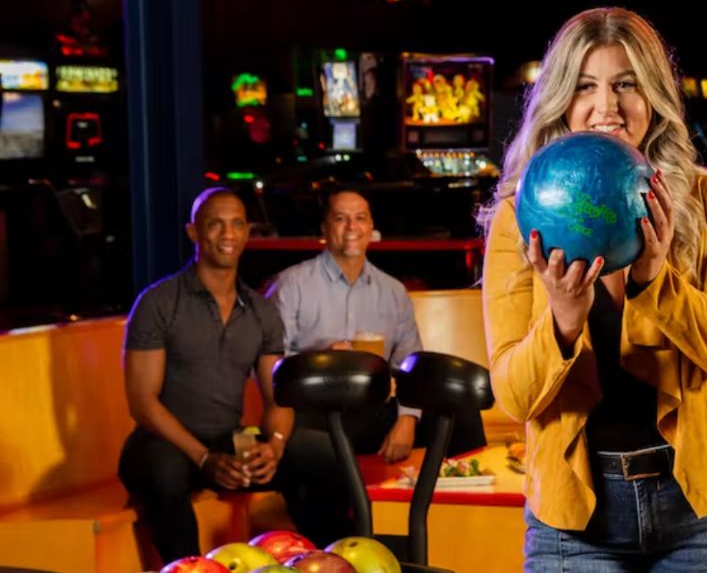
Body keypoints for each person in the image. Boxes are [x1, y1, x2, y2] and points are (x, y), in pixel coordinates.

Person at [477, 7, 707, 571]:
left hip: (704, 506)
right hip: (576, 518)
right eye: (586, 86)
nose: (606, 107)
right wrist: (561, 319)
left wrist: (658, 281)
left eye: (626, 84)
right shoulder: (520, 218)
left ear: (654, 95)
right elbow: (513, 395)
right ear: (561, 98)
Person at [118, 187, 347, 563]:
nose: (228, 234)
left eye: (237, 224)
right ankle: (188, 569)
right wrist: (204, 457)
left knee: (319, 453)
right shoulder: (158, 302)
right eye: (216, 224)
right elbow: (142, 402)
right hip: (163, 443)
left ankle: (325, 563)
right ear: (194, 232)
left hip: (226, 442)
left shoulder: (259, 310)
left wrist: (272, 446)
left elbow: (279, 398)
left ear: (247, 232)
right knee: (161, 472)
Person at [266, 187, 486, 461]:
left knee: (462, 415)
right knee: (315, 448)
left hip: (370, 411)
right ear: (324, 228)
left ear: (371, 227)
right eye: (340, 218)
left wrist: (407, 419)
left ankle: (451, 496)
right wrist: (320, 360)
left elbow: (410, 368)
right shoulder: (291, 285)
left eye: (360, 218)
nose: (351, 227)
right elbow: (271, 366)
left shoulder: (392, 291)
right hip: (312, 414)